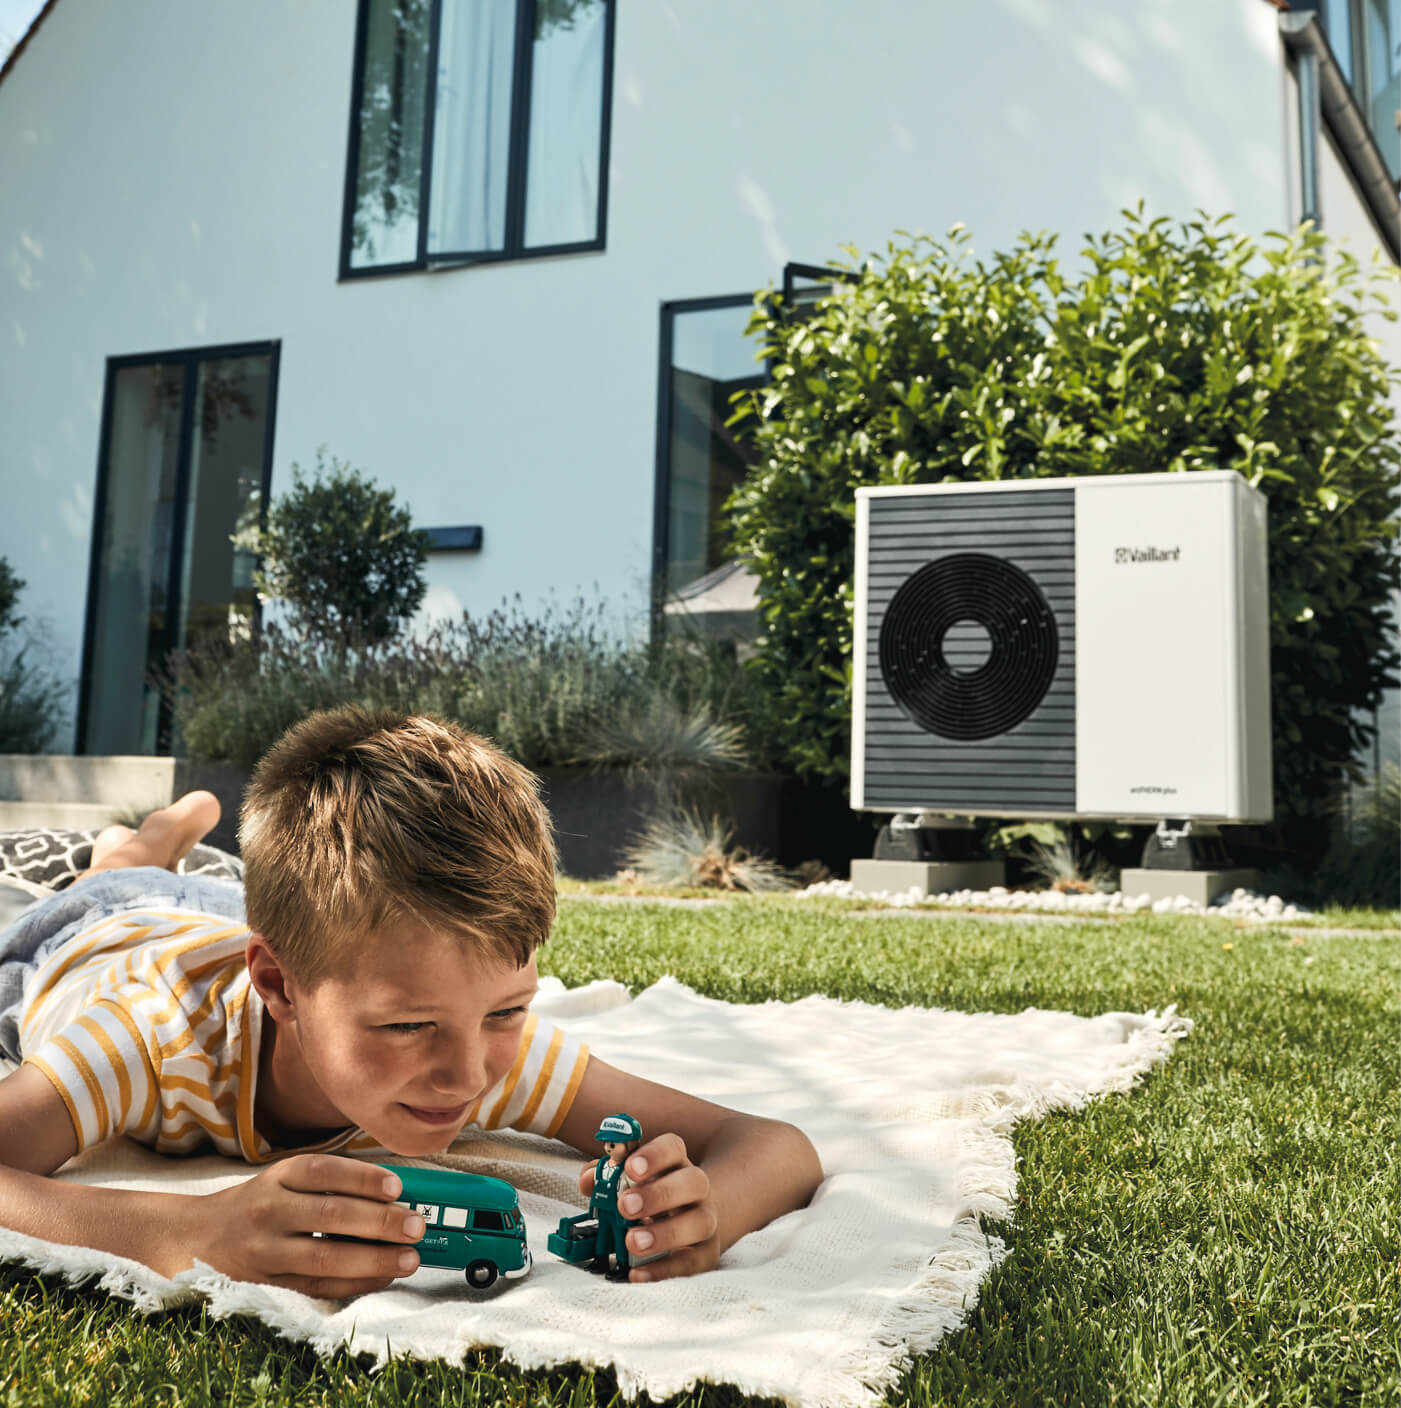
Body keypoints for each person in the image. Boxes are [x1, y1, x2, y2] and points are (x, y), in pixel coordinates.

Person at [0, 707, 822, 1297]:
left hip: (235, 927)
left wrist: (712, 1209)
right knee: (118, 881)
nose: (466, 1075)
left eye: (504, 1010)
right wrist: (182, 1230)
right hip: (107, 936)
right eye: (407, 1025)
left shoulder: (492, 1054)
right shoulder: (146, 1039)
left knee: (239, 899)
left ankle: (175, 847)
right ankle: (140, 844)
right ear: (280, 987)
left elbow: (772, 1145)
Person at [588, 1112, 643, 1281]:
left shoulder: (627, 1170)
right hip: (603, 1209)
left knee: (620, 1238)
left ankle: (622, 1264)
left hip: (619, 1211)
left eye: (613, 1144)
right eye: (606, 1143)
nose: (608, 1147)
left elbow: (637, 1188)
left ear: (630, 1145)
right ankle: (600, 1259)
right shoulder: (603, 1164)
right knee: (602, 1235)